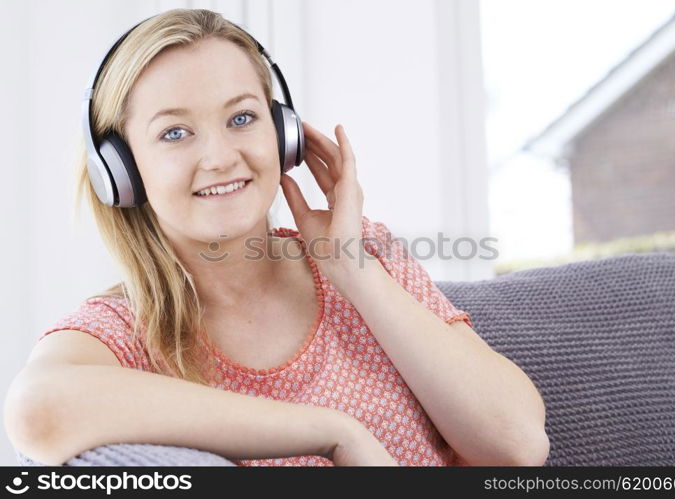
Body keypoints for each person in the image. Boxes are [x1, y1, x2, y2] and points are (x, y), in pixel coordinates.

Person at [4, 8, 549, 467]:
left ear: (283, 133)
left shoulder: (364, 256)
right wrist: (333, 432)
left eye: (241, 118)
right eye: (174, 132)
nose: (219, 157)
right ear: (120, 169)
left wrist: (353, 272)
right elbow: (37, 411)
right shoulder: (122, 331)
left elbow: (518, 447)